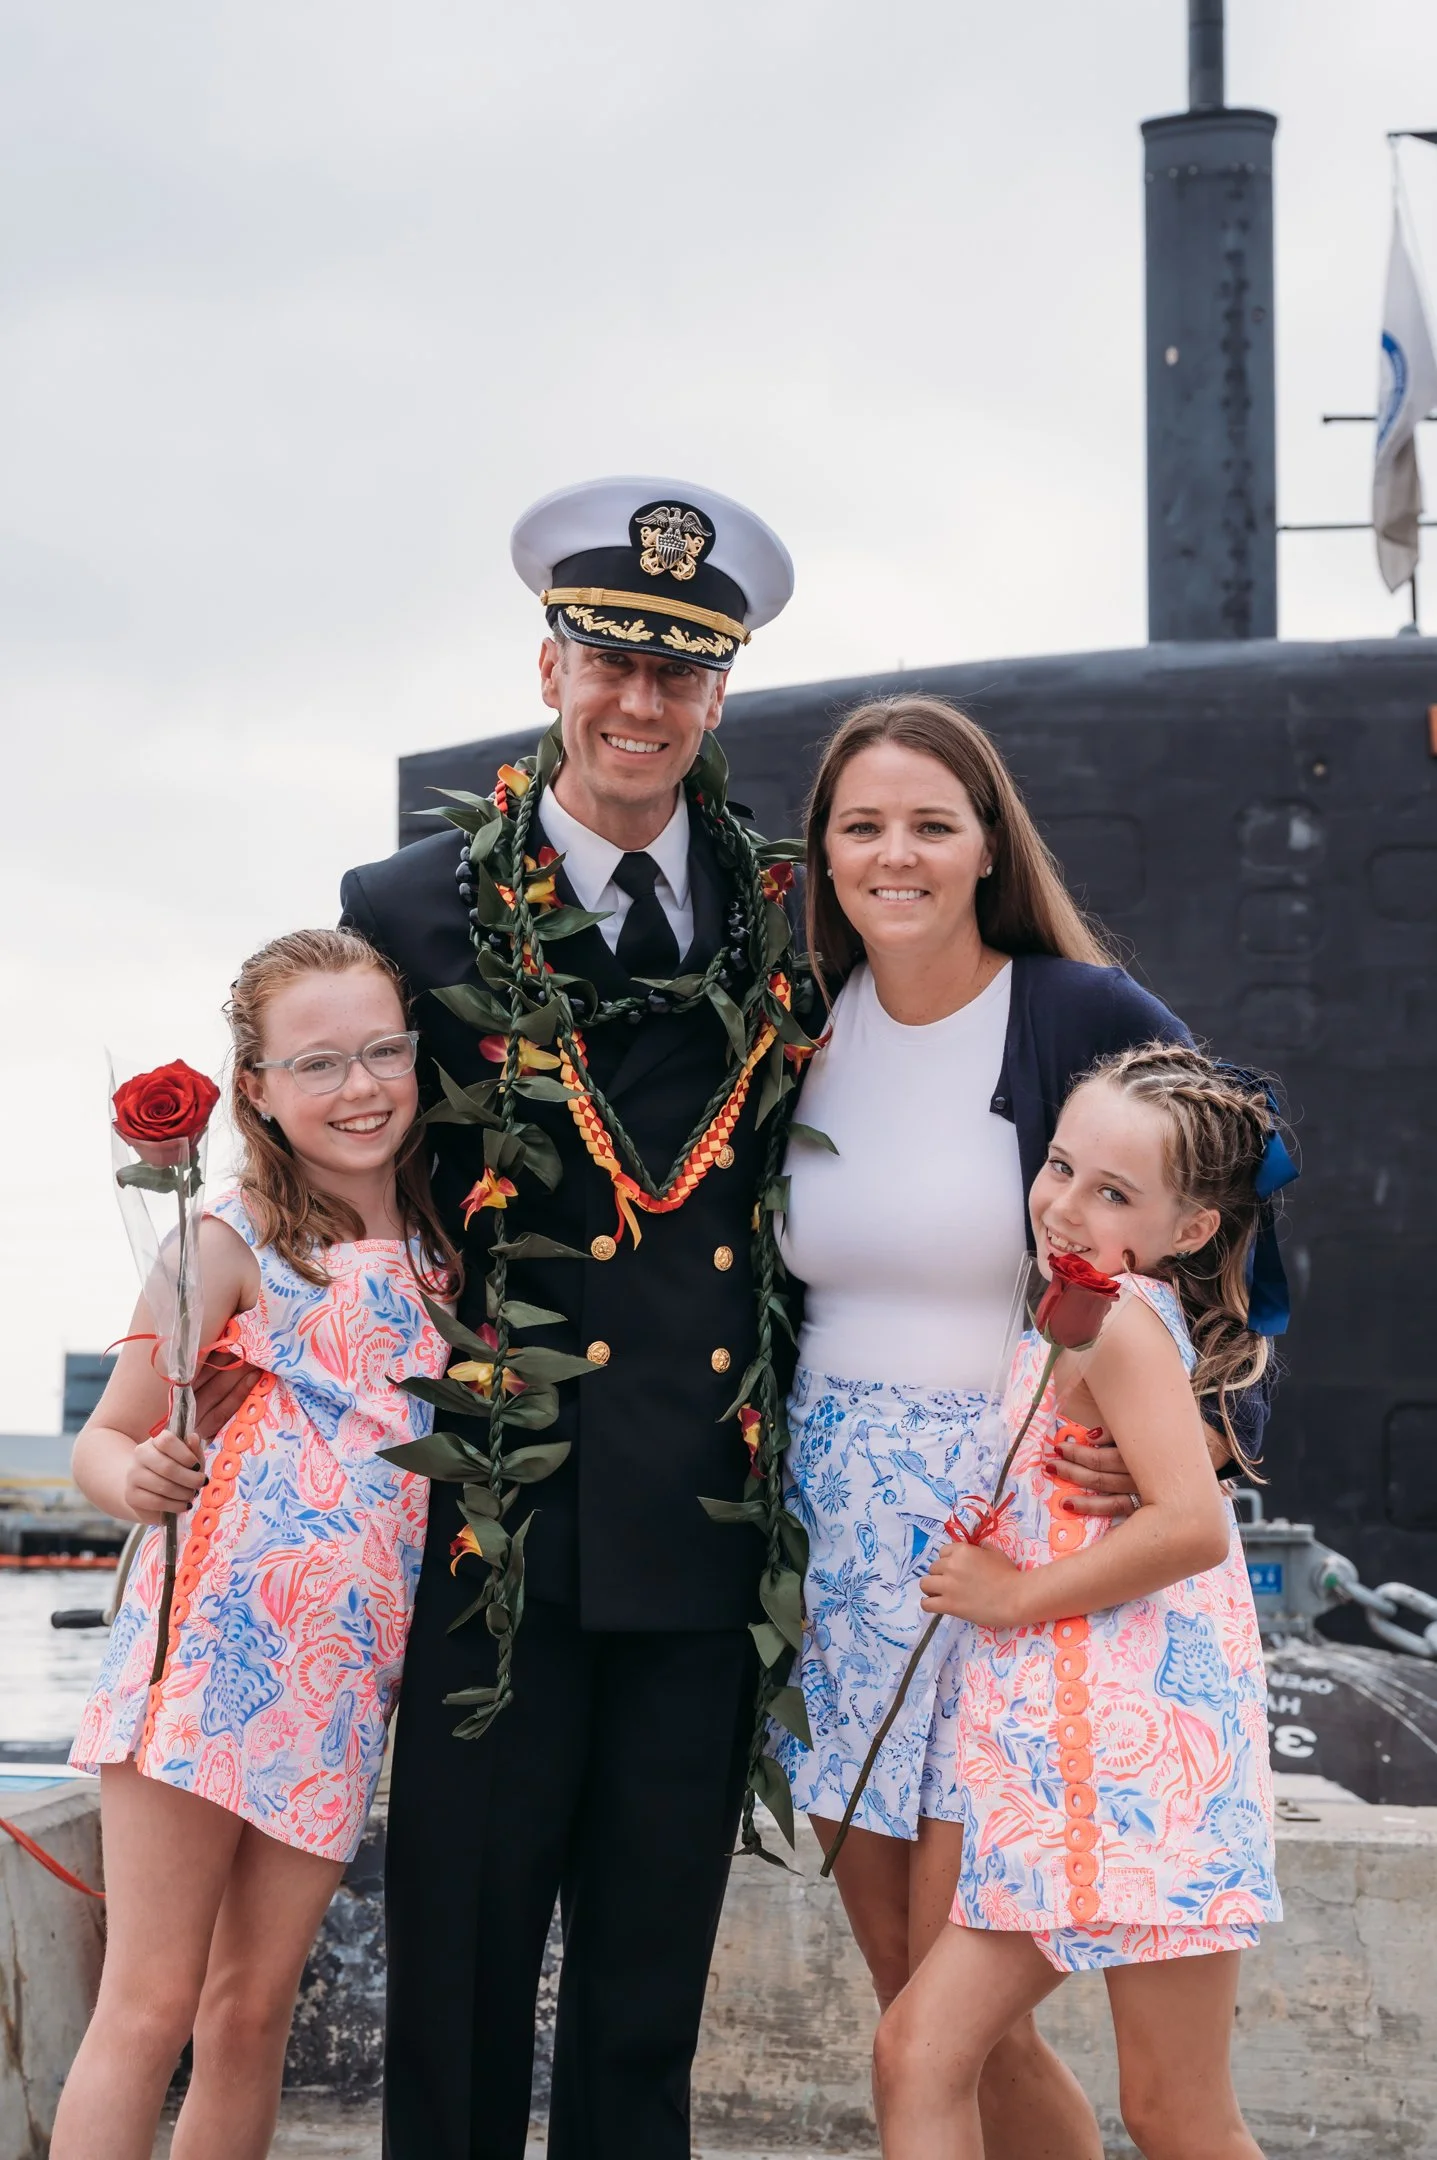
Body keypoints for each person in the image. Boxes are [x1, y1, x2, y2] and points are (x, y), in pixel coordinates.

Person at [335, 478, 805, 2159]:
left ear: (718, 695)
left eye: (679, 673)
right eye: (610, 660)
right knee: (456, 1973)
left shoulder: (784, 915)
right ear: (549, 668)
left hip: (695, 1517)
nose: (640, 703)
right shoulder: (401, 909)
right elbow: (321, 1161)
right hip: (496, 1527)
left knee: (638, 2001)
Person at [770, 695, 1270, 2158]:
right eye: (862, 825)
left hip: (1014, 1534)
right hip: (849, 1555)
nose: (897, 852)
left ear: (990, 844)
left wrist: (1194, 1432)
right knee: (906, 1995)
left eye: (933, 821)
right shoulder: (801, 1025)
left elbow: (1231, 1226)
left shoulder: (1077, 1015)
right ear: (822, 854)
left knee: (947, 2011)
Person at [52, 928, 454, 2160]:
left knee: (250, 2010)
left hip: (339, 1682)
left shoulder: (447, 1245)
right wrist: (145, 1477)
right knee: (153, 2003)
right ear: (259, 1092)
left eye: (383, 1049)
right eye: (319, 1062)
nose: (361, 1086)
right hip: (209, 1662)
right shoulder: (223, 1241)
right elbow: (104, 1443)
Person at [873, 1041, 1284, 2160]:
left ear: (1189, 1230)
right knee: (925, 2054)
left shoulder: (1122, 1322)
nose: (1064, 1204)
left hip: (1136, 1754)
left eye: (1113, 1193)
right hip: (1055, 1751)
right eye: (1059, 1167)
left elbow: (1192, 1525)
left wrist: (1011, 1595)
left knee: (1174, 2110)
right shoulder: (1070, 1312)